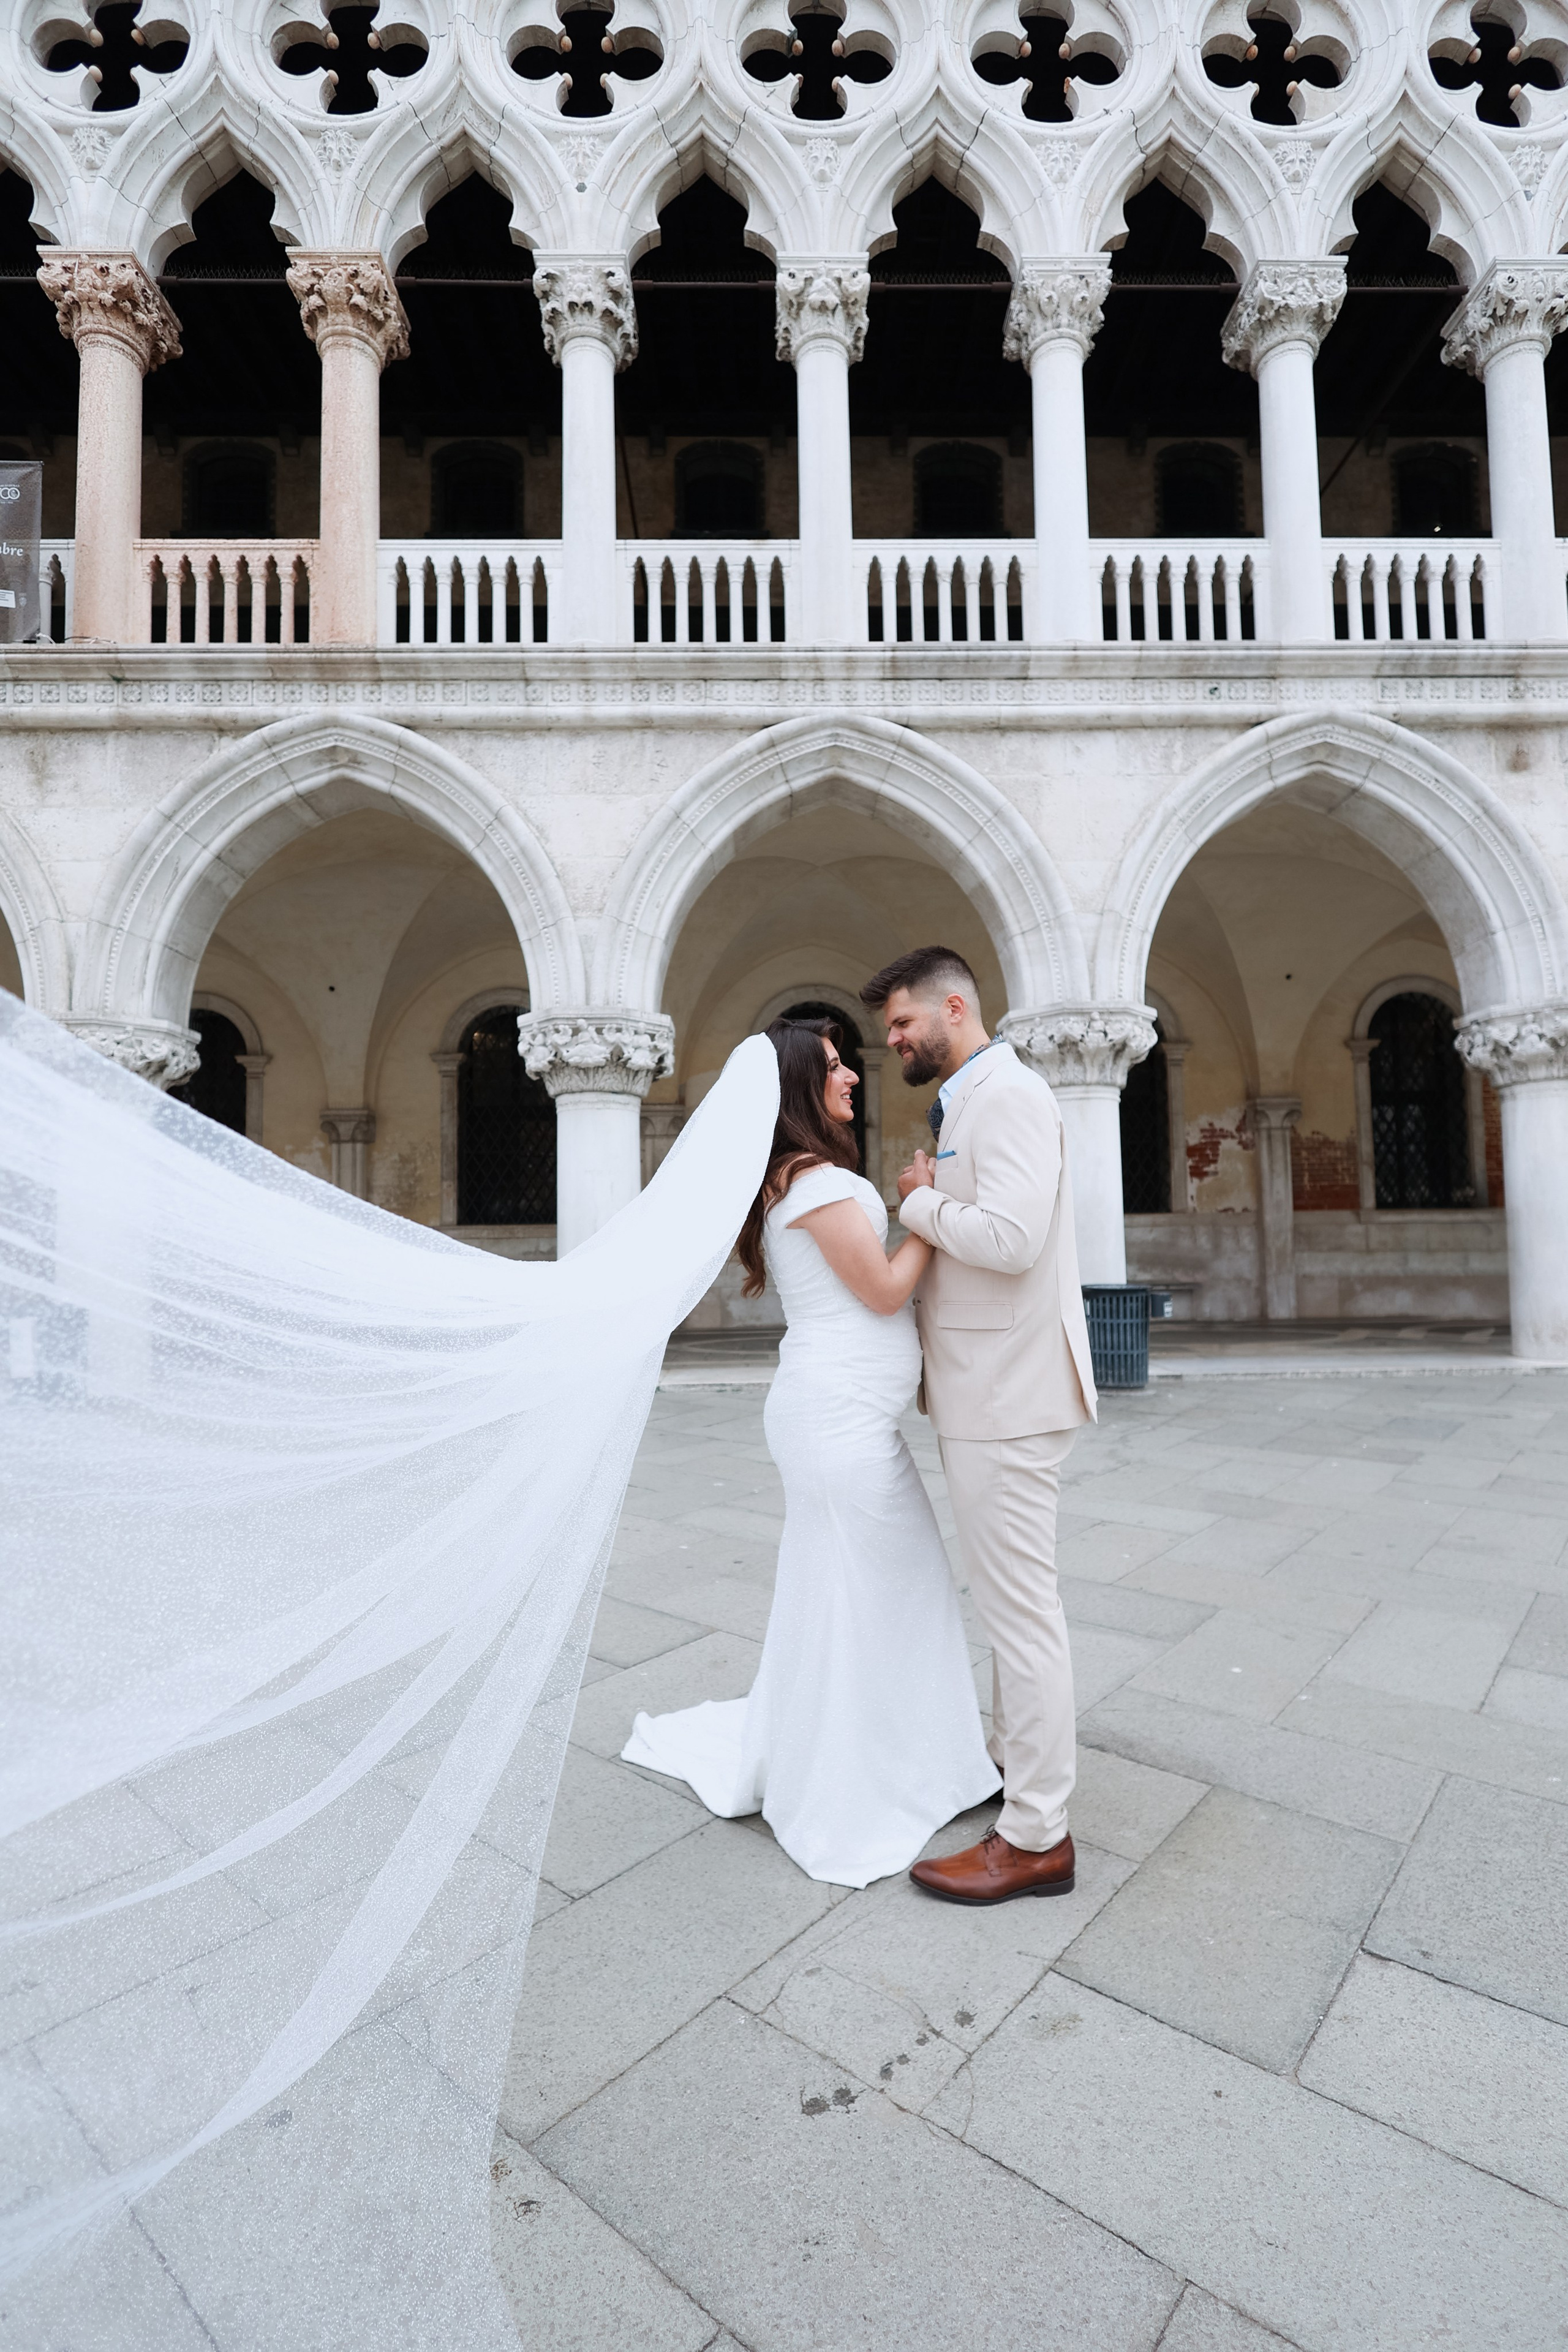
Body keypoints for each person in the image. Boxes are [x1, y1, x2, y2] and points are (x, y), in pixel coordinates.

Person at [621, 1016, 998, 1887]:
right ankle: (854, 1781)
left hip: (841, 1414)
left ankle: (895, 1753)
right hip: (836, 1421)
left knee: (864, 1588)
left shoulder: (798, 1179)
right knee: (877, 1587)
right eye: (834, 1068)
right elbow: (882, 1290)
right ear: (799, 1087)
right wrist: (924, 1208)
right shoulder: (815, 1181)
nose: (852, 1078)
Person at [861, 944, 1098, 1906]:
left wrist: (918, 1201)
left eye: (902, 1026)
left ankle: (1039, 1835)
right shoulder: (971, 1097)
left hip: (1007, 1393)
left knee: (1020, 1615)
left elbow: (1013, 1241)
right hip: (986, 1390)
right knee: (1012, 1608)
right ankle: (1015, 1773)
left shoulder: (1009, 1097)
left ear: (954, 1007)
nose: (894, 1044)